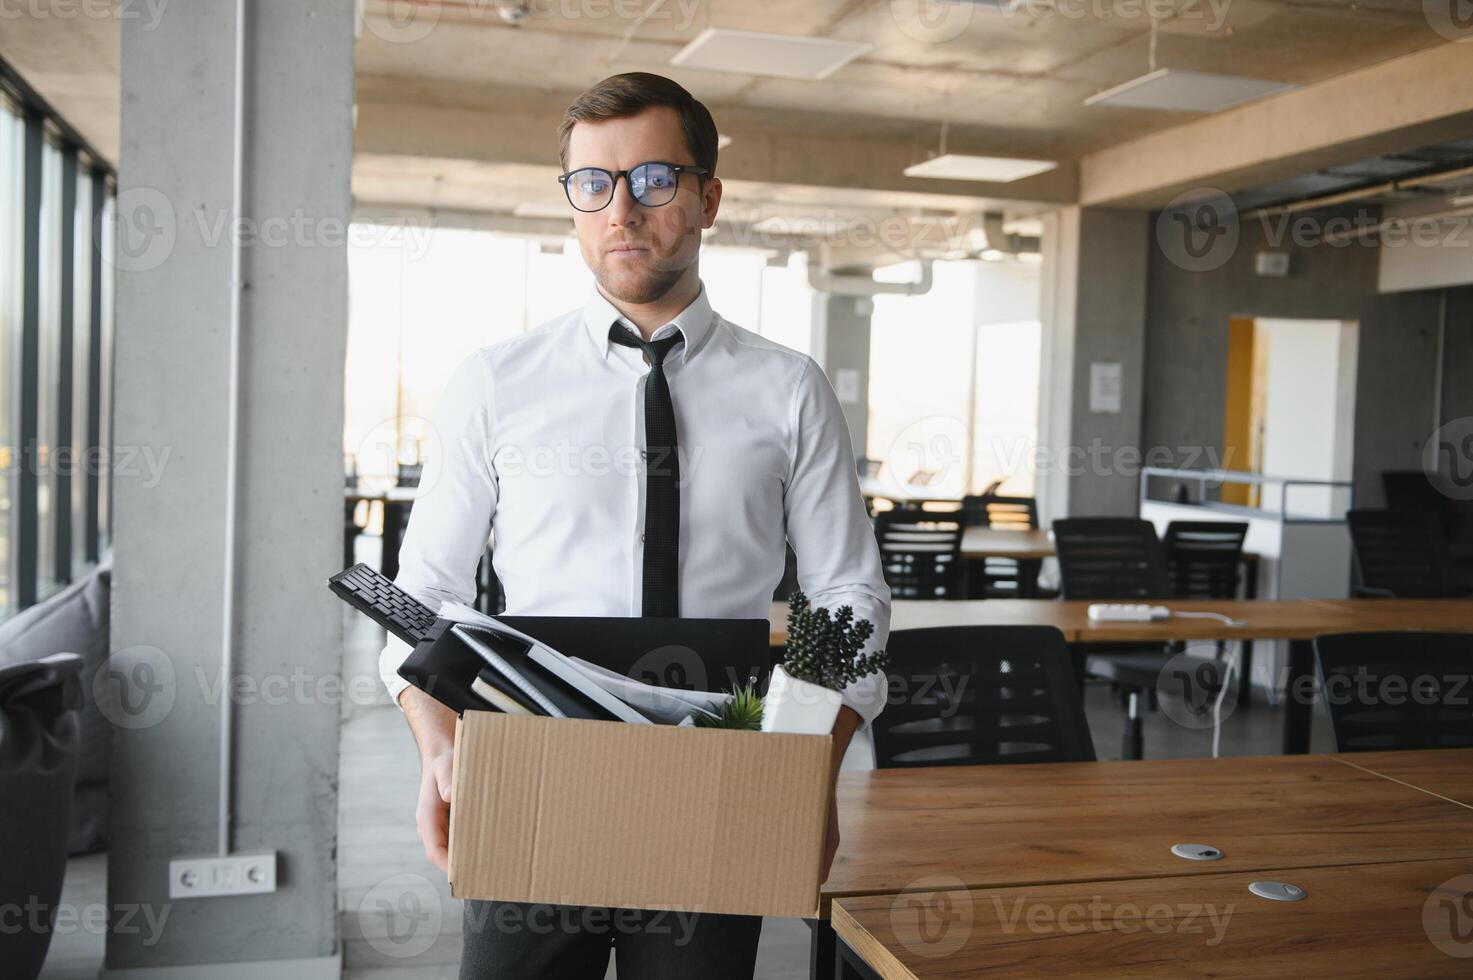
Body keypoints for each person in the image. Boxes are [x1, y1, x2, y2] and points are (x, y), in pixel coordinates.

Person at [379, 71, 890, 980]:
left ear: (707, 198)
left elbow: (844, 593)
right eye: (593, 184)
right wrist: (440, 746)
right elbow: (423, 597)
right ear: (572, 204)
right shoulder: (497, 382)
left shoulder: (787, 387)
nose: (622, 209)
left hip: (718, 784)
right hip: (532, 773)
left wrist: (809, 762)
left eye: (654, 179)